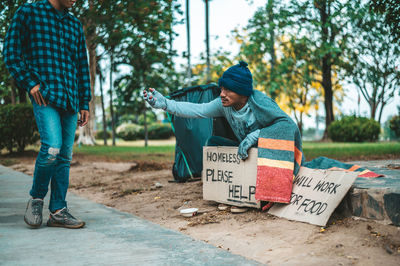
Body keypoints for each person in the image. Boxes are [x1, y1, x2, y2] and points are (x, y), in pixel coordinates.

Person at [144, 61, 304, 208]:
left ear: (243, 92)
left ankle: (264, 195)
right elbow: (198, 110)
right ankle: (231, 194)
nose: (222, 93)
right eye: (221, 88)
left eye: (228, 89)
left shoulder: (259, 101)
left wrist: (255, 136)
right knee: (213, 141)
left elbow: (287, 125)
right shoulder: (223, 104)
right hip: (245, 153)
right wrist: (165, 104)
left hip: (267, 153)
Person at [3, 0, 91, 229]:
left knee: (64, 156)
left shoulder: (74, 24)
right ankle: (36, 199)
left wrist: (84, 102)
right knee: (52, 147)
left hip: (71, 98)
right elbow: (11, 53)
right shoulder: (29, 12)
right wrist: (30, 83)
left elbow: (82, 65)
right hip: (45, 95)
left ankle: (58, 210)